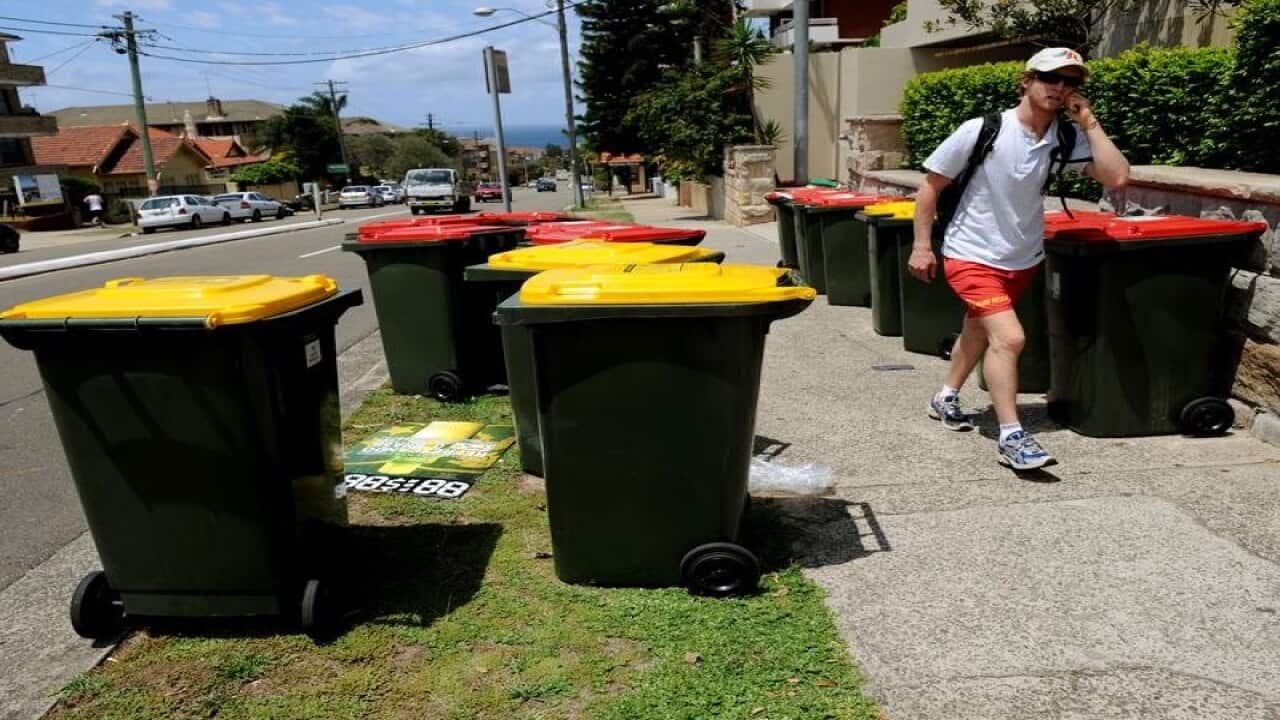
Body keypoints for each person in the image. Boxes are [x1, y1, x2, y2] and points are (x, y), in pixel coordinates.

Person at [908, 47, 1130, 470]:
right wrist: (922, 246)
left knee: (977, 331)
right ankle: (1012, 436)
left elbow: (1117, 176)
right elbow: (930, 187)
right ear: (1026, 80)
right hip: (969, 252)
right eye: (1051, 77)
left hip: (1022, 256)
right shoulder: (983, 130)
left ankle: (945, 396)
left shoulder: (1066, 137)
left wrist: (1089, 121)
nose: (1060, 88)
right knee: (1009, 338)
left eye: (1071, 81)